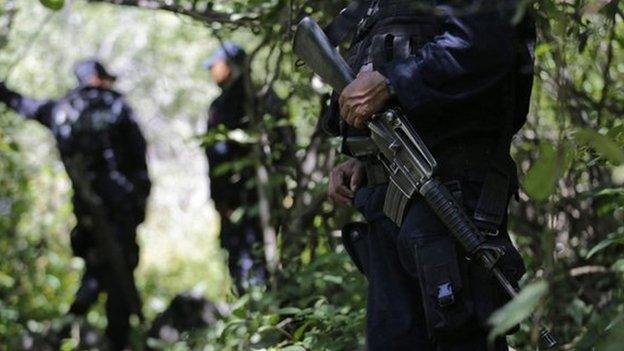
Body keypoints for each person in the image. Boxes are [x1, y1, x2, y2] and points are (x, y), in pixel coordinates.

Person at [324, 1, 535, 350]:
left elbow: (484, 44)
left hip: (448, 197)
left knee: (460, 336)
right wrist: (367, 158)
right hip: (391, 201)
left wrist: (392, 83)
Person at [0, 59, 151, 350]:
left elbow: (25, 105)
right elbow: (138, 155)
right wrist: (139, 202)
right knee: (117, 272)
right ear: (97, 78)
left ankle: (65, 331)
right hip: (121, 208)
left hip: (88, 211)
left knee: (99, 268)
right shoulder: (117, 107)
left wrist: (3, 92)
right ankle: (115, 340)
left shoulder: (62, 110)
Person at [203, 42, 292, 292]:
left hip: (250, 198)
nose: (212, 72)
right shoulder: (265, 97)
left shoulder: (243, 103)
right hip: (245, 199)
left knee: (252, 258)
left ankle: (263, 314)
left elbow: (284, 143)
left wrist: (223, 199)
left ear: (230, 66)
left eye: (215, 66)